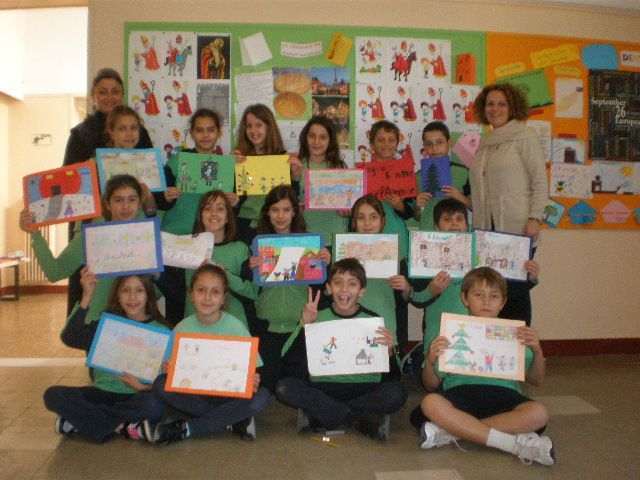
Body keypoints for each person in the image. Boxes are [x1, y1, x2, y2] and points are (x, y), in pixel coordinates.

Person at [408, 199, 539, 428]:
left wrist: (530, 276)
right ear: (437, 226)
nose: (454, 224)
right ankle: (489, 428)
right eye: (447, 220)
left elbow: (509, 285)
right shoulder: (426, 255)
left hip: (489, 340)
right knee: (434, 394)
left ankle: (460, 427)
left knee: (535, 412)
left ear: (467, 224)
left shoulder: (482, 252)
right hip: (446, 342)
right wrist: (432, 290)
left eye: (459, 219)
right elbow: (416, 299)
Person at [419, 267, 554, 467]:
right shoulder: (450, 331)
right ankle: (513, 445)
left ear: (503, 302)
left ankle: (454, 431)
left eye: (494, 296)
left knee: (539, 412)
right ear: (465, 298)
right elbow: (430, 384)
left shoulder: (516, 334)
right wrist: (430, 361)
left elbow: (536, 380)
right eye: (478, 295)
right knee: (430, 402)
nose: (486, 301)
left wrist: (537, 350)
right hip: (460, 393)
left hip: (504, 396)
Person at [276, 258, 407, 441]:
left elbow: (393, 375)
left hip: (364, 387)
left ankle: (330, 414)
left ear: (362, 291)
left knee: (397, 393)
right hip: (324, 387)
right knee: (284, 387)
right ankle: (358, 417)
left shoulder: (373, 321)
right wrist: (304, 325)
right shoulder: (316, 317)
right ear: (329, 288)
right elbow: (287, 360)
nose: (344, 289)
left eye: (352, 284)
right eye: (338, 283)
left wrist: (390, 351)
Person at [63, 69, 153, 317]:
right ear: (94, 95)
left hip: (131, 224)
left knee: (128, 286)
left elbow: (151, 174)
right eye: (103, 92)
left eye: (115, 91)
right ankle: (85, 331)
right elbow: (70, 185)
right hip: (94, 223)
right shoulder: (80, 134)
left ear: (122, 94)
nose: (109, 97)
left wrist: (148, 197)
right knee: (92, 286)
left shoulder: (141, 134)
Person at [150, 264, 271, 444]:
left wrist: (252, 380)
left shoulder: (236, 327)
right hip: (196, 396)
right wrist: (168, 370)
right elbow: (166, 367)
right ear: (191, 294)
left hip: (228, 395)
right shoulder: (182, 328)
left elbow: (251, 370)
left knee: (262, 396)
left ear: (223, 298)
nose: (207, 298)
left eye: (215, 292)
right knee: (160, 384)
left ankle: (189, 428)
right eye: (201, 290)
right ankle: (232, 419)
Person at [43, 270, 169, 443]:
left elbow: (165, 381)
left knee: (154, 406)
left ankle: (82, 422)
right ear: (118, 295)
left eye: (139, 290)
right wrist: (87, 296)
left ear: (148, 295)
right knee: (53, 395)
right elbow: (70, 337)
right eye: (125, 290)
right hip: (101, 393)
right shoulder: (107, 323)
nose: (132, 297)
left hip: (135, 396)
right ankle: (120, 426)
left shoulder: (162, 331)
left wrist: (142, 387)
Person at [19, 174, 155, 324]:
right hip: (96, 322)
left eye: (132, 199)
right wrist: (35, 234)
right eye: (118, 200)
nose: (125, 206)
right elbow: (55, 272)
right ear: (107, 204)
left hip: (136, 324)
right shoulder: (92, 236)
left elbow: (156, 288)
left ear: (139, 203)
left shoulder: (147, 233)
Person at [471, 83, 548, 325]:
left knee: (515, 292)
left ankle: (518, 345)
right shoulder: (485, 142)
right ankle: (491, 345)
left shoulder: (525, 136)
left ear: (512, 107)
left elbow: (539, 181)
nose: (495, 109)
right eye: (490, 104)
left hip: (517, 229)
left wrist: (535, 218)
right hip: (487, 232)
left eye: (501, 104)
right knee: (488, 294)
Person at [154, 108, 233, 325]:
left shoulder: (226, 165)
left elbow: (229, 207)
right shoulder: (177, 161)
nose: (205, 135)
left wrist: (235, 200)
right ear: (191, 133)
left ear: (219, 133)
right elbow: (158, 200)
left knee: (204, 302)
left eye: (210, 130)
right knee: (177, 304)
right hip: (176, 241)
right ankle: (178, 342)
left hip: (206, 243)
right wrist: (166, 196)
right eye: (199, 130)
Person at [249, 185, 330, 392]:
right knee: (267, 385)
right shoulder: (256, 244)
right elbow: (249, 288)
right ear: (267, 212)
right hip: (268, 326)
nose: (280, 216)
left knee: (297, 383)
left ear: (295, 212)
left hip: (299, 325)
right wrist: (248, 267)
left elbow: (321, 286)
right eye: (275, 210)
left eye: (286, 210)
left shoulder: (309, 244)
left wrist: (325, 263)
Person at [349, 195, 417, 348]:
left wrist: (406, 288)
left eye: (373, 217)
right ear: (354, 222)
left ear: (382, 221)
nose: (367, 223)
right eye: (361, 217)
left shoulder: (394, 253)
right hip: (350, 325)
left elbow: (405, 299)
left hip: (384, 327)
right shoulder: (343, 250)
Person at [183, 190, 257, 327]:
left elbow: (253, 293)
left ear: (228, 217)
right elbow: (174, 289)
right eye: (207, 208)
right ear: (200, 215)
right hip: (194, 328)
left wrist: (225, 276)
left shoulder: (240, 249)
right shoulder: (187, 247)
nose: (214, 213)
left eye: (220, 209)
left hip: (233, 328)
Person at [234, 104, 298, 245]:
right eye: (249, 126)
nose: (253, 131)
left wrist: (295, 175)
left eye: (259, 125)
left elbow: (292, 197)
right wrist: (232, 168)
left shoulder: (283, 159)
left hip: (276, 224)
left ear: (269, 127)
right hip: (246, 225)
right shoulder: (240, 159)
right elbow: (234, 198)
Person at [295, 116, 349, 247]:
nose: (316, 142)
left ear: (330, 141)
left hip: (336, 236)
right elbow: (288, 202)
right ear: (305, 138)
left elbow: (348, 203)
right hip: (306, 236)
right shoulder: (296, 166)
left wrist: (347, 210)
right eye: (312, 136)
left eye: (323, 137)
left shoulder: (340, 167)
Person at [415, 121, 471, 231]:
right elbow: (416, 216)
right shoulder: (418, 176)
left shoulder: (464, 172)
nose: (434, 148)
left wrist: (460, 197)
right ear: (424, 147)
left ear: (449, 143)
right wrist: (418, 206)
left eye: (439, 142)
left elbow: (477, 208)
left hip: (457, 232)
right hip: (428, 232)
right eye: (429, 144)